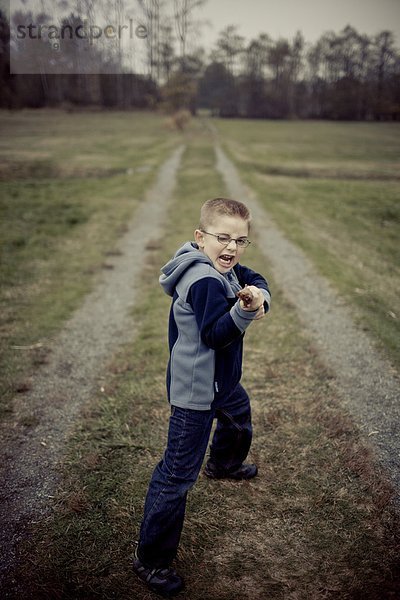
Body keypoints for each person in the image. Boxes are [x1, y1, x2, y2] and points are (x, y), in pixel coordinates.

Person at [133, 197, 271, 597]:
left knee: (237, 414)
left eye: (241, 240)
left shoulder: (220, 265)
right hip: (196, 391)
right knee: (176, 474)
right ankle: (151, 559)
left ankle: (224, 463)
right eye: (223, 238)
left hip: (221, 382)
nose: (232, 249)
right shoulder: (205, 280)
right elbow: (214, 334)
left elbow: (253, 276)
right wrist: (245, 313)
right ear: (200, 237)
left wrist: (259, 297)